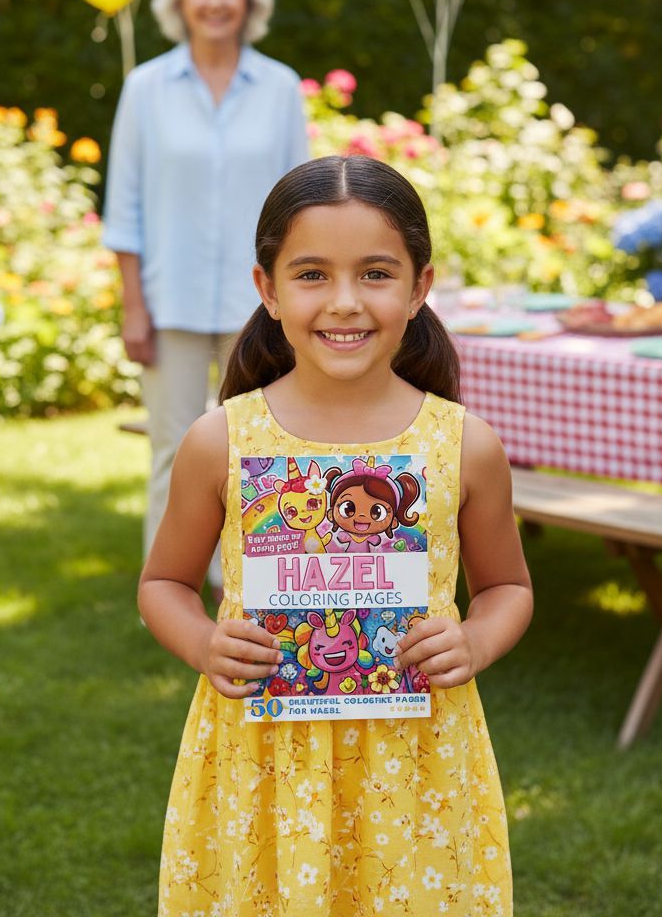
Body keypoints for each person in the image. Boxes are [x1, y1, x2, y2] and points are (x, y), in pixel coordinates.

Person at [138, 155, 533, 915]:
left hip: (416, 759)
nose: (345, 303)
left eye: (376, 274)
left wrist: (477, 642)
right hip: (264, 760)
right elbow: (163, 584)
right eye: (312, 274)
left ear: (420, 287)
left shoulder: (463, 446)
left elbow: (508, 587)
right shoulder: (221, 441)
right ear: (268, 289)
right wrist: (201, 643)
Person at [102, 0, 309, 565]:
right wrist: (133, 307)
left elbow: (300, 205)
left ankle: (252, 593)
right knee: (173, 448)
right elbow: (125, 207)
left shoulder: (278, 88)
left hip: (260, 306)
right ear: (181, 1)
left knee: (262, 447)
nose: (215, 1)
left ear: (247, 0)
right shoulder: (146, 88)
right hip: (170, 304)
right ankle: (168, 590)